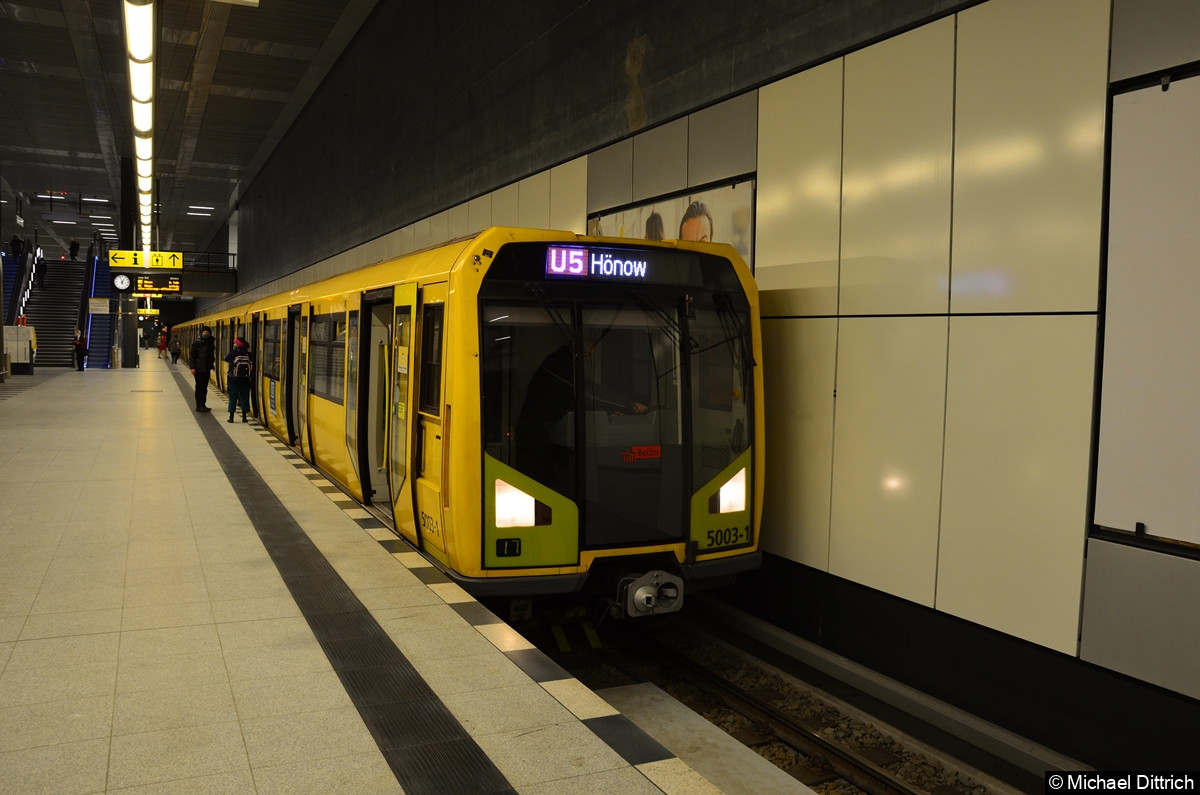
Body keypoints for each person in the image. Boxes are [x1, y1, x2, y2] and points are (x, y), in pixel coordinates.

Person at [515, 336, 647, 484]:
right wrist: (628, 404)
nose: (589, 358)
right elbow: (589, 393)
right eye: (589, 353)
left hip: (545, 438)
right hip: (535, 441)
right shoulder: (560, 366)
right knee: (540, 488)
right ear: (578, 351)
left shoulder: (562, 362)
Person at [224, 338, 254, 423]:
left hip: (233, 380)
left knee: (232, 398)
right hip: (246, 380)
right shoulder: (249, 354)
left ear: (238, 344)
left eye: (235, 343)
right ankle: (244, 417)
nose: (234, 344)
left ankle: (231, 417)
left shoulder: (234, 353)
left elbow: (226, 359)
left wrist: (234, 351)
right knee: (245, 397)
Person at [189, 326, 216, 412]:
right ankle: (199, 405)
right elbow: (192, 356)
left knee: (204, 387)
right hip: (198, 369)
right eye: (204, 332)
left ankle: (203, 404)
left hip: (206, 369)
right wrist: (192, 367)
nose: (205, 333)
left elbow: (211, 356)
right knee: (199, 387)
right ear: (201, 333)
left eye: (207, 332)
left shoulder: (211, 343)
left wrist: (212, 364)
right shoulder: (196, 343)